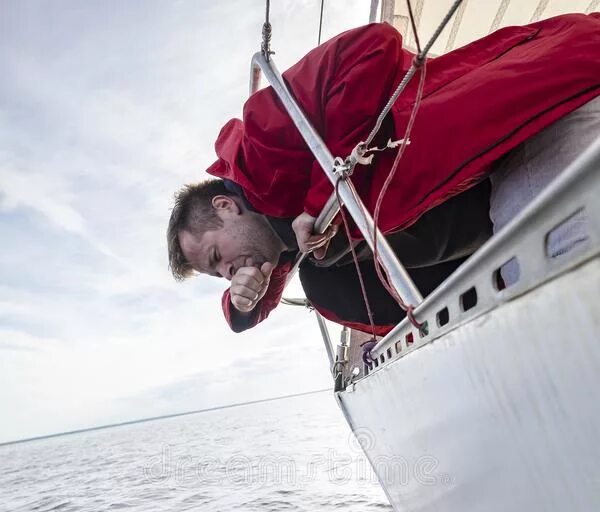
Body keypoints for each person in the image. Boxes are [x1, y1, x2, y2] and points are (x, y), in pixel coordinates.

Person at [167, 14, 600, 337]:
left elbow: (370, 45)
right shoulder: (292, 235)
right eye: (217, 274)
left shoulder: (261, 144)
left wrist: (326, 198)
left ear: (225, 205)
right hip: (508, 170)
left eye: (216, 258)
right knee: (324, 280)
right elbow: (272, 267)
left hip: (544, 110)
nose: (226, 271)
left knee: (554, 296)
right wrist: (243, 302)